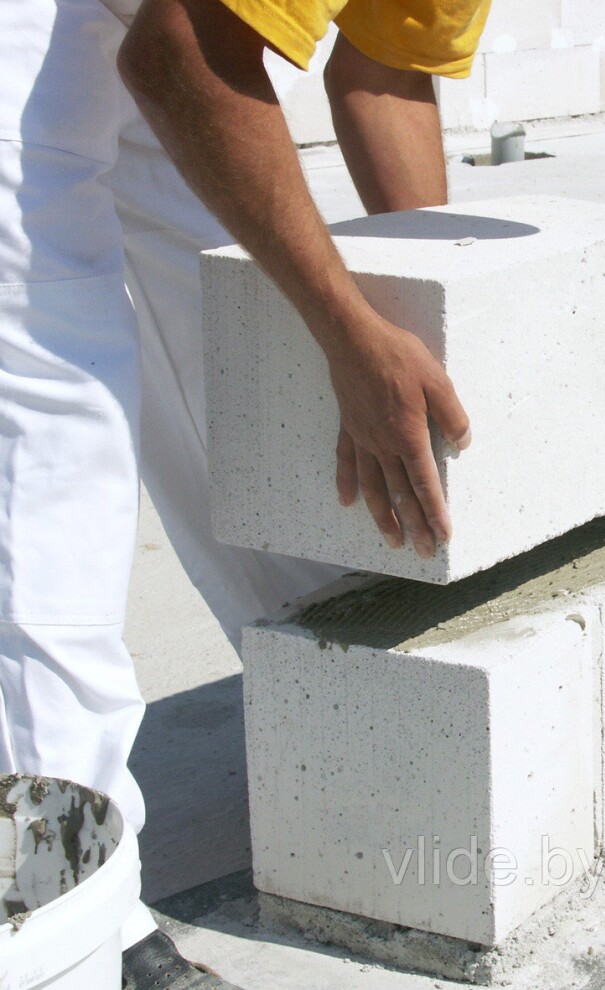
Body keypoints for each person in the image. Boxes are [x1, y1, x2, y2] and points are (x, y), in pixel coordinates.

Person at [0, 0, 490, 986]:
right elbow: (179, 53)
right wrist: (347, 332)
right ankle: (71, 915)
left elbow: (385, 72)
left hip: (143, 18)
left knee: (240, 338)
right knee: (57, 435)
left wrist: (434, 319)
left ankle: (334, 722)